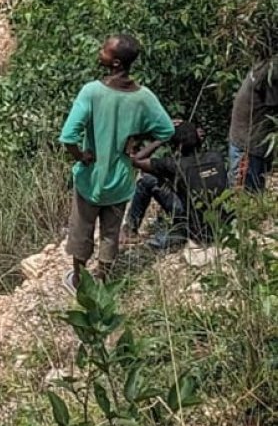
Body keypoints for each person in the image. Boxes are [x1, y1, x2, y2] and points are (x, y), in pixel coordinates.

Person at [60, 34, 175, 292]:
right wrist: (139, 145)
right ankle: (103, 281)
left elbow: (68, 136)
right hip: (121, 180)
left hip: (91, 179)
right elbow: (166, 130)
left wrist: (81, 156)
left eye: (105, 50)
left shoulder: (92, 91)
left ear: (115, 63)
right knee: (111, 233)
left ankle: (79, 281)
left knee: (82, 230)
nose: (100, 51)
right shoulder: (143, 97)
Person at [124, 122, 229, 248]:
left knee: (148, 180)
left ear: (178, 146)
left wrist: (162, 138)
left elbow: (136, 160)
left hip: (192, 226)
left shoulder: (176, 165)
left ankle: (130, 230)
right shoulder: (216, 157)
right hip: (221, 224)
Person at [228, 56, 278, 192]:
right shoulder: (271, 71)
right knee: (246, 194)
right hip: (249, 144)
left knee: (252, 190)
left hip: (250, 139)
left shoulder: (267, 64)